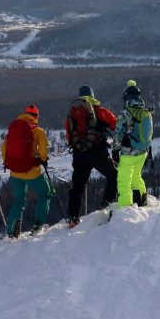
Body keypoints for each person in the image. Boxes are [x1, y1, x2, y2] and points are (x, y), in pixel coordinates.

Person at [65, 85, 118, 228]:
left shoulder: (72, 113)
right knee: (114, 175)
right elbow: (116, 125)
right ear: (92, 96)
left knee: (78, 186)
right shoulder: (100, 111)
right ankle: (108, 205)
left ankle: (73, 217)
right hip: (98, 152)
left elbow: (69, 135)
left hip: (79, 154)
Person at [1, 104, 50, 237]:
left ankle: (12, 231)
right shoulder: (38, 131)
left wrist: (9, 164)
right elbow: (44, 150)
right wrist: (43, 159)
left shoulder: (14, 129)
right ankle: (37, 225)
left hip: (15, 173)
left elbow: (4, 148)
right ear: (36, 116)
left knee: (18, 202)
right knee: (45, 194)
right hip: (32, 172)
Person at [112, 80, 153, 208]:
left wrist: (115, 151)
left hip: (128, 153)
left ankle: (125, 208)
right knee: (136, 176)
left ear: (126, 97)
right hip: (143, 152)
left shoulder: (125, 114)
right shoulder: (145, 112)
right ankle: (142, 200)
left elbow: (118, 134)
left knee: (124, 182)